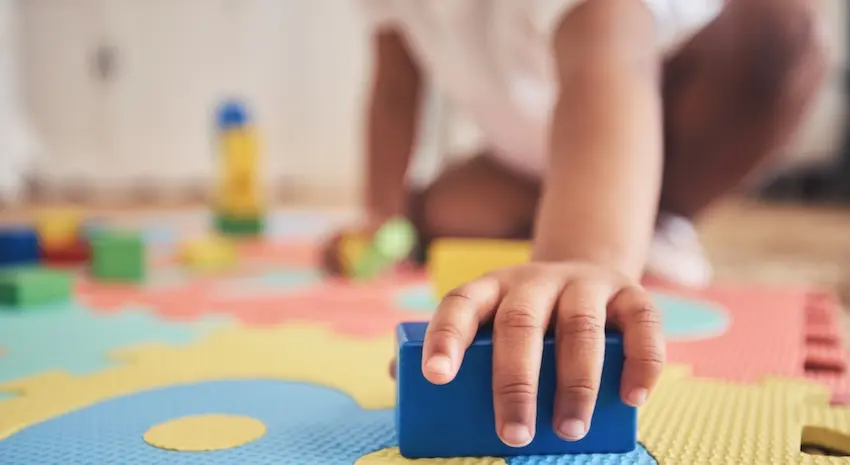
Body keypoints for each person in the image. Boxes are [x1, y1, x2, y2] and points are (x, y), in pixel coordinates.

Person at [323, 0, 827, 448]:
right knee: (442, 210)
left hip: (680, 113)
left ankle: (639, 214)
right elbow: (394, 86)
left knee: (781, 28)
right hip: (542, 143)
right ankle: (602, 209)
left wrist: (581, 259)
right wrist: (381, 217)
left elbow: (608, 60)